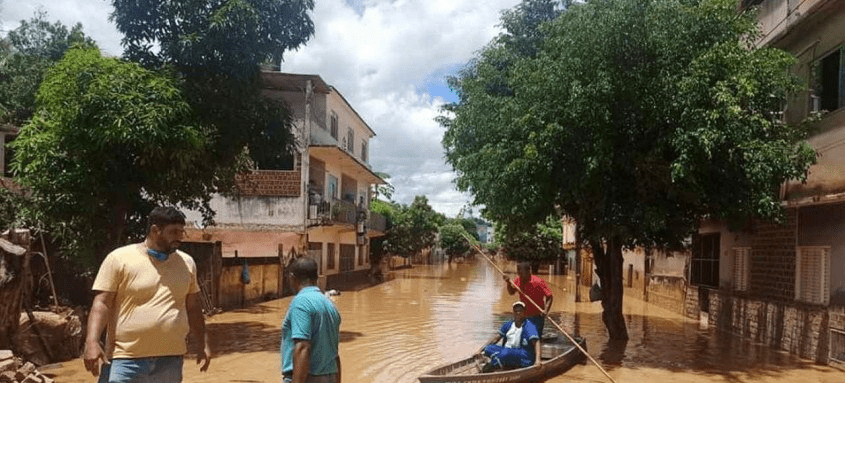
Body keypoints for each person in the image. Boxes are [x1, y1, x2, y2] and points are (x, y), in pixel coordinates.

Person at [82, 206, 211, 383]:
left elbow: (194, 307)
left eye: (182, 231)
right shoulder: (120, 258)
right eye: (174, 232)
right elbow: (102, 303)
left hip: (171, 360)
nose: (179, 237)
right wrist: (92, 342)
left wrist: (202, 343)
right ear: (155, 230)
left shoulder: (186, 262)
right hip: (125, 359)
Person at [281, 256, 342, 383]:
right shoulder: (329, 305)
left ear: (292, 277)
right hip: (331, 377)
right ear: (316, 277)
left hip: (308, 378)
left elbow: (303, 347)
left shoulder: (301, 302)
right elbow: (335, 354)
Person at [479, 301, 541, 372]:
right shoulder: (508, 324)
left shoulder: (529, 326)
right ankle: (498, 360)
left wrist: (538, 360)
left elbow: (536, 342)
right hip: (507, 350)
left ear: (524, 312)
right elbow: (495, 339)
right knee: (488, 348)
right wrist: (481, 350)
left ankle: (492, 366)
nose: (518, 313)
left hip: (523, 354)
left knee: (504, 354)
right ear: (513, 312)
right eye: (516, 311)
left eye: (520, 310)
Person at [503, 261, 553, 336]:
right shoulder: (518, 280)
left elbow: (549, 296)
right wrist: (508, 283)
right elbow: (511, 292)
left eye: (522, 273)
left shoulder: (537, 282)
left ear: (528, 271)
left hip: (537, 316)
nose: (520, 275)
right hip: (524, 316)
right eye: (519, 273)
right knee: (524, 339)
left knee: (535, 338)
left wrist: (546, 310)